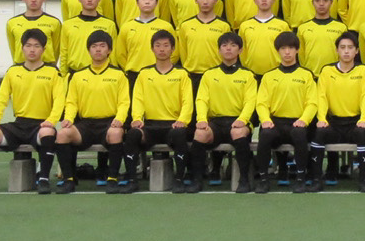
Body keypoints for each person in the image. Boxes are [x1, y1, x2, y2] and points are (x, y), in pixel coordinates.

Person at [0, 28, 64, 195]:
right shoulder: (13, 71)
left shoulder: (53, 72)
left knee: (47, 133)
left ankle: (43, 179)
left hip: (41, 125)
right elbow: (2, 98)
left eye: (36, 46)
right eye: (28, 45)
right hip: (19, 125)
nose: (32, 50)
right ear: (22, 48)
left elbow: (59, 100)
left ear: (44, 49)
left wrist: (51, 120)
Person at [51, 30, 131, 194]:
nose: (98, 49)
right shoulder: (78, 76)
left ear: (109, 50)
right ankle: (69, 179)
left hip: (109, 123)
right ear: (88, 50)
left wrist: (120, 119)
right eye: (94, 46)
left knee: (116, 133)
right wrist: (69, 119)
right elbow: (71, 102)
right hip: (85, 125)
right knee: (63, 134)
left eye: (102, 46)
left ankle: (112, 179)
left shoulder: (118, 75)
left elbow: (124, 102)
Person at [124, 29, 193, 192]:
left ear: (173, 49)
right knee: (132, 134)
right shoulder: (144, 74)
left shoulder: (182, 74)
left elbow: (187, 101)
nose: (162, 49)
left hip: (172, 125)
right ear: (152, 49)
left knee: (180, 134)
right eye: (158, 45)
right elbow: (138, 99)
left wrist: (182, 120)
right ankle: (132, 180)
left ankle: (179, 179)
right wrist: (137, 118)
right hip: (149, 126)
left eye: (166, 45)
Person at [189, 31, 257, 192]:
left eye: (233, 45)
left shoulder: (248, 75)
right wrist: (201, 119)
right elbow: (201, 100)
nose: (228, 49)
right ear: (219, 50)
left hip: (238, 121)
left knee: (238, 133)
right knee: (200, 134)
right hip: (216, 123)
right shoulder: (209, 75)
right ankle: (196, 180)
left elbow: (250, 101)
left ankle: (244, 180)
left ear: (240, 50)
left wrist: (242, 119)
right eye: (224, 45)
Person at [252, 32, 318, 193]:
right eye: (283, 48)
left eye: (291, 48)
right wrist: (265, 120)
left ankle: (301, 179)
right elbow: (261, 103)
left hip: (297, 122)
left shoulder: (306, 75)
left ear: (297, 50)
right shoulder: (269, 76)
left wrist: (304, 120)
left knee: (300, 134)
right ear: (278, 51)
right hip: (275, 122)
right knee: (265, 135)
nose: (287, 52)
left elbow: (312, 102)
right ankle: (263, 180)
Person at [308, 31, 365, 191]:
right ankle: (316, 180)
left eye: (350, 48)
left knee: (363, 134)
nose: (346, 51)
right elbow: (321, 97)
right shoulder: (327, 71)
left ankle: (364, 180)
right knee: (319, 133)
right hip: (334, 122)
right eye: (342, 47)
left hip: (355, 122)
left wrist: (364, 119)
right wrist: (322, 118)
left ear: (357, 51)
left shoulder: (363, 71)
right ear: (337, 50)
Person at [57, 0, 119, 75]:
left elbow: (113, 54)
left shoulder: (109, 25)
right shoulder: (68, 25)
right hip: (75, 73)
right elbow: (64, 53)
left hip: (101, 74)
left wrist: (114, 73)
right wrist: (62, 75)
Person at [114, 0, 174, 80]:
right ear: (137, 2)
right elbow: (120, 54)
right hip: (134, 74)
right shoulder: (126, 27)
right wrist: (128, 69)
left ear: (156, 3)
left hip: (159, 74)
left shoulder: (166, 27)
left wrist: (164, 68)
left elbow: (174, 52)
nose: (147, 2)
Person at [176, 0, 230, 84]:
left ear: (216, 0)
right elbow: (183, 52)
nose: (205, 2)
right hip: (192, 75)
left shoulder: (224, 26)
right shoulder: (185, 26)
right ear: (195, 0)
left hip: (216, 75)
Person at [237, 0, 291, 77]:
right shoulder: (245, 26)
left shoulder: (283, 26)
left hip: (277, 75)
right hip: (251, 75)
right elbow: (242, 52)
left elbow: (288, 50)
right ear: (255, 0)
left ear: (274, 0)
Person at [6, 0, 62, 65]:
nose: (33, 0)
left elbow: (56, 49)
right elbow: (13, 49)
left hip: (46, 68)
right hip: (21, 68)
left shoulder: (54, 22)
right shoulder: (12, 23)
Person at [296, 0, 346, 75]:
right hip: (310, 75)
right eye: (317, 0)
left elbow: (344, 54)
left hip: (334, 75)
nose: (321, 4)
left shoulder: (341, 27)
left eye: (325, 0)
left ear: (331, 2)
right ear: (312, 2)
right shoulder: (303, 28)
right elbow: (301, 55)